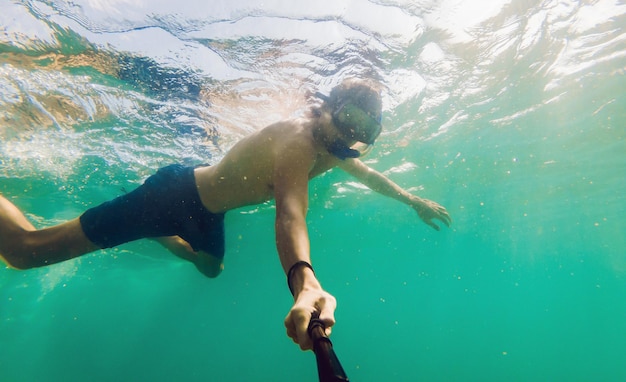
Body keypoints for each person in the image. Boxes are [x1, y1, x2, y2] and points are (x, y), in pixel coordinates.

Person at [0, 78, 451, 350]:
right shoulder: (299, 141)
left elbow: (369, 176)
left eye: (366, 130)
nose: (353, 134)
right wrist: (305, 280)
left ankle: (153, 235)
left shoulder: (335, 147)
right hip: (171, 194)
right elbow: (290, 214)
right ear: (328, 107)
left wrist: (413, 201)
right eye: (350, 118)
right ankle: (146, 224)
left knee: (211, 268)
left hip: (206, 214)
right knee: (24, 251)